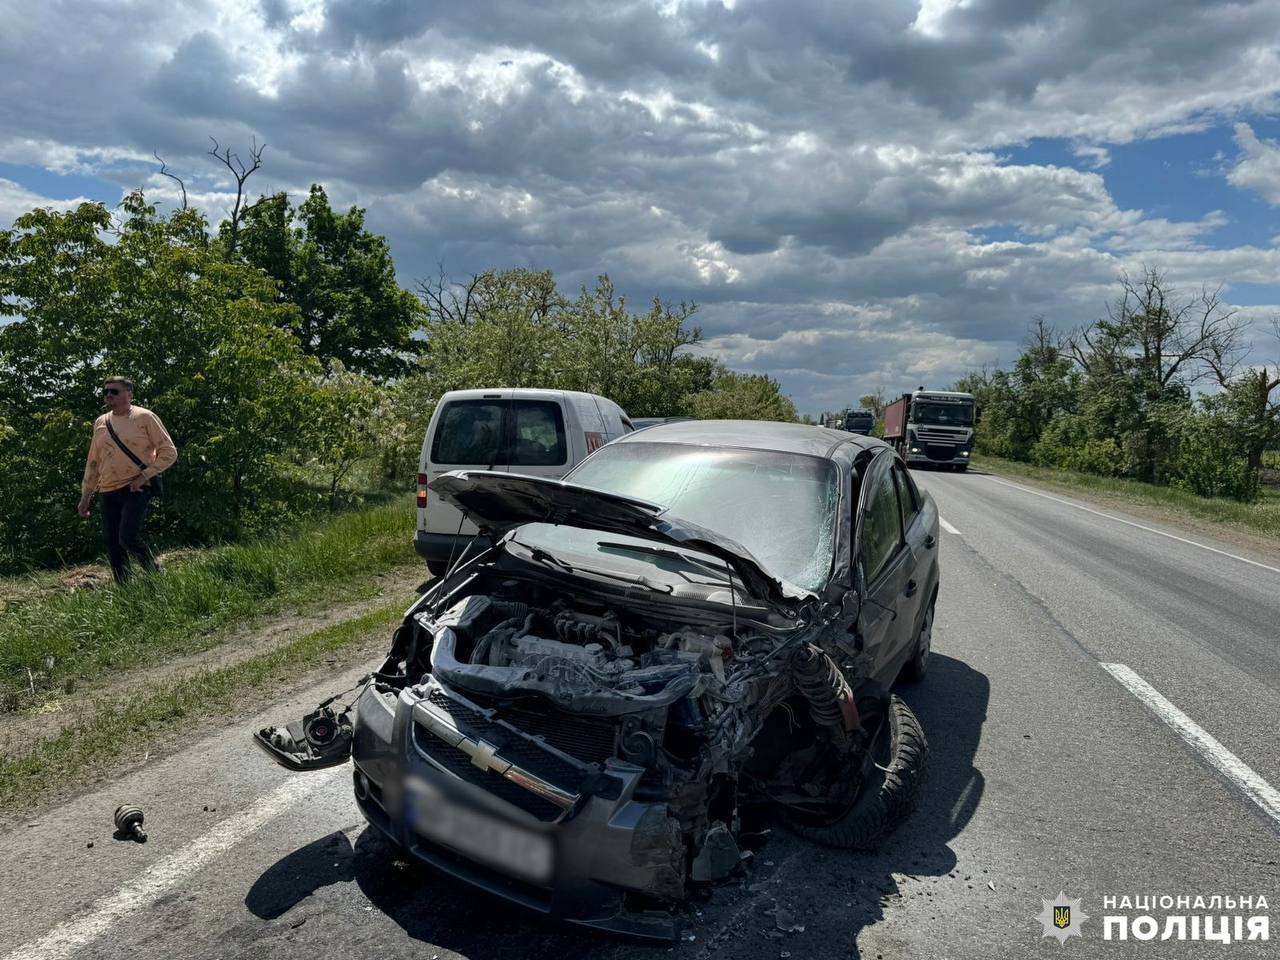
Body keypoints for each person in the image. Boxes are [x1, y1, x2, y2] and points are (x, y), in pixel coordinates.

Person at [77, 377, 178, 583]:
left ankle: (157, 576)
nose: (109, 396)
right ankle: (125, 589)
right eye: (105, 392)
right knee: (112, 542)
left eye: (114, 391)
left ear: (129, 394)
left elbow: (169, 452)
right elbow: (94, 462)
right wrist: (86, 496)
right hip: (107, 489)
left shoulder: (145, 417)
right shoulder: (101, 422)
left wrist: (145, 476)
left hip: (136, 486)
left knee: (128, 537)